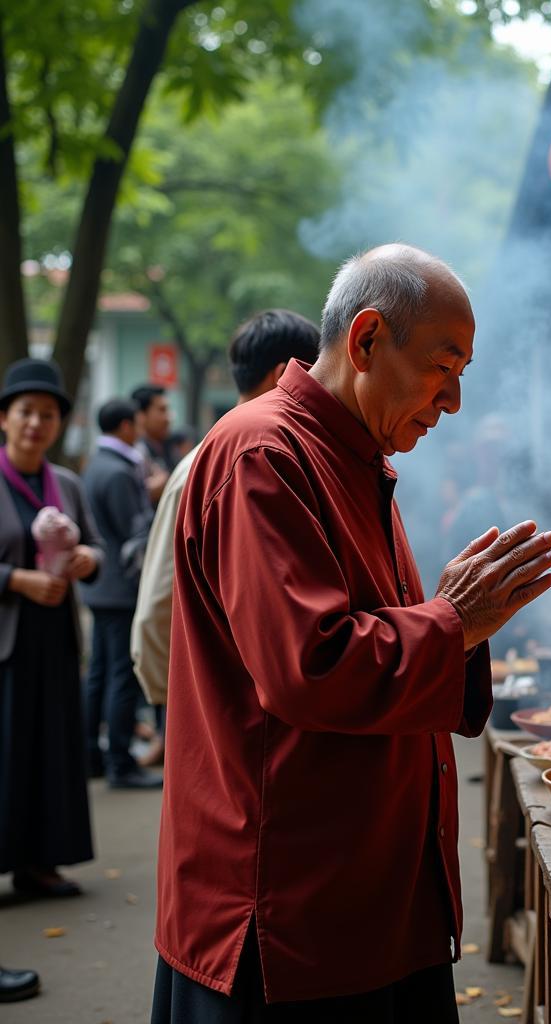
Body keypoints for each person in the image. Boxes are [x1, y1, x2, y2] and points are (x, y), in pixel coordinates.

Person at [152, 245, 551, 1022]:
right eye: (446, 365)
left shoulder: (354, 456)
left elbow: (379, 627)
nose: (455, 401)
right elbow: (310, 664)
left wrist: (454, 621)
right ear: (367, 340)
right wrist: (453, 621)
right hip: (284, 906)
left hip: (367, 887)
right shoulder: (263, 454)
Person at [131, 309, 320, 717]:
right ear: (282, 374)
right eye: (314, 373)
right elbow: (158, 607)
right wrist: (185, 694)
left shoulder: (257, 458)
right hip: (220, 706)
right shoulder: (219, 465)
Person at [0, 358, 101, 898]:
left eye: (46, 414)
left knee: (51, 750)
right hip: (8, 642)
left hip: (57, 637)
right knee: (9, 751)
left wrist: (88, 557)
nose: (35, 423)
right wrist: (15, 579)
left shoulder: (65, 483)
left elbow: (95, 545)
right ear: (4, 419)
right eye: (25, 413)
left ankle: (40, 865)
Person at [81, 399, 161, 790]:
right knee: (120, 676)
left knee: (98, 673)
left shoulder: (94, 465)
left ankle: (92, 756)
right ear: (127, 426)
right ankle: (120, 761)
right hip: (121, 589)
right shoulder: (120, 471)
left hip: (99, 586)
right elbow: (136, 536)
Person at [131, 385, 172, 504]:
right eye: (162, 410)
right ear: (141, 415)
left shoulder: (167, 446)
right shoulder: (135, 451)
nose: (168, 417)